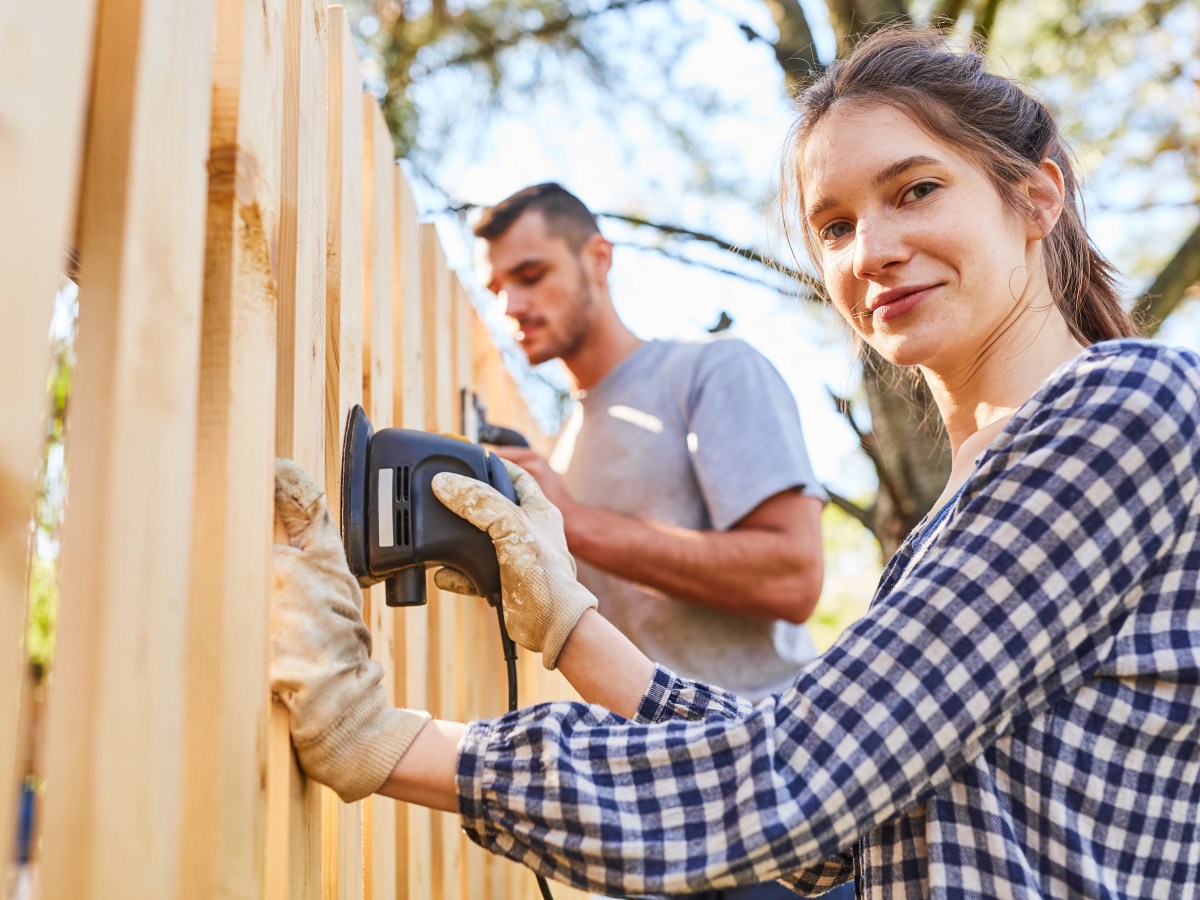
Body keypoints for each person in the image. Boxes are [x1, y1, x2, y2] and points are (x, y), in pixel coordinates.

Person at [269, 26, 1200, 899]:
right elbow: (854, 818)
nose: (871, 251)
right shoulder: (973, 494)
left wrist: (378, 740)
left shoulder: (1125, 405)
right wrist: (566, 623)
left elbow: (799, 776)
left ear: (1036, 198)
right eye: (833, 227)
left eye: (916, 189)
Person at [460, 182, 826, 706]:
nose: (511, 306)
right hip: (648, 768)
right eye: (495, 290)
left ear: (598, 258)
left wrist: (574, 523)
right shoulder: (561, 449)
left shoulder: (711, 370)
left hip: (772, 740)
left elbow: (793, 577)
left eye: (531, 275)